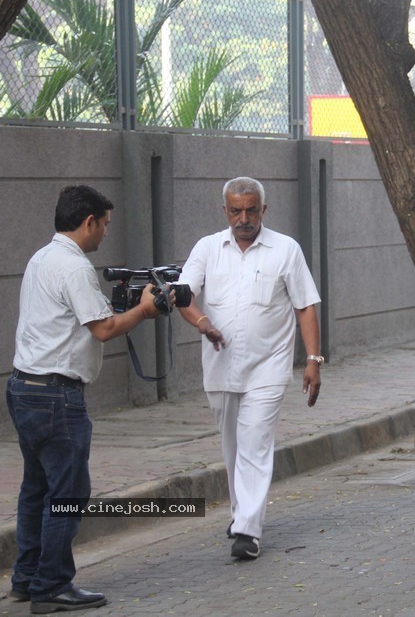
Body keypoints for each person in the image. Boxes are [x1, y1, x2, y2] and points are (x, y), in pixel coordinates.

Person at [7, 185, 165, 613]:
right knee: (68, 493)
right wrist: (146, 309)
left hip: (25, 388)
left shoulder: (43, 257)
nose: (105, 234)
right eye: (105, 224)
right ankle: (52, 586)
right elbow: (105, 329)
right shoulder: (74, 268)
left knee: (37, 489)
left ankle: (26, 578)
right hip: (56, 396)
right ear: (88, 221)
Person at [177, 177, 322, 561]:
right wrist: (201, 322)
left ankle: (247, 530)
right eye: (236, 211)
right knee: (232, 447)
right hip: (221, 367)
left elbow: (305, 305)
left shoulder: (285, 249)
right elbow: (183, 294)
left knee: (255, 444)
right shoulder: (208, 248)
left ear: (263, 210)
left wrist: (313, 360)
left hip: (268, 368)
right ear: (225, 211)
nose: (244, 218)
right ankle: (241, 511)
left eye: (251, 210)